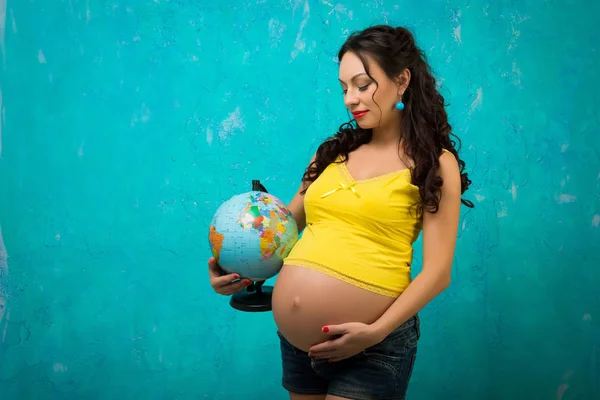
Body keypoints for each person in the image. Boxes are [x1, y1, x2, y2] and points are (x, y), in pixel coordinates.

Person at [209, 24, 473, 400]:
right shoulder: (331, 153)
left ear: (402, 81)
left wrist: (376, 332)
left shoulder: (433, 162)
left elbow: (437, 273)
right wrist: (232, 268)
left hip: (372, 345)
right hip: (298, 347)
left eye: (362, 84)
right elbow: (281, 229)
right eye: (344, 87)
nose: (350, 98)